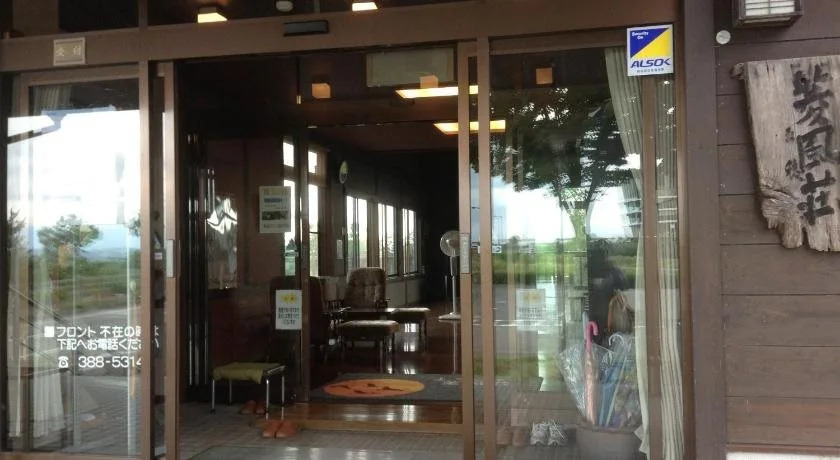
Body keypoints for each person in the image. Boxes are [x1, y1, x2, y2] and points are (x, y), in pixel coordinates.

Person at [586, 240, 630, 343]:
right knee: (603, 336)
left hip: (598, 310)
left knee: (595, 336)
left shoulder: (590, 269)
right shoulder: (612, 271)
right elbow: (624, 285)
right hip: (606, 311)